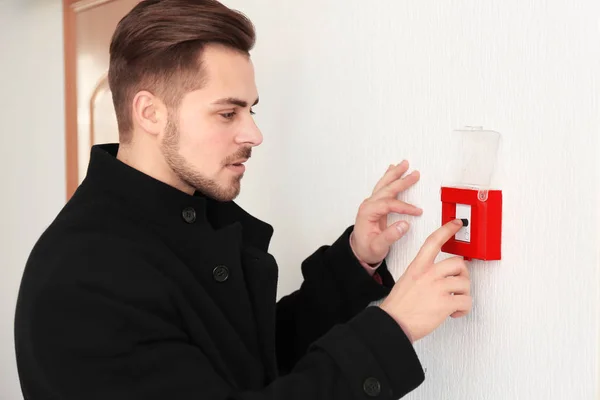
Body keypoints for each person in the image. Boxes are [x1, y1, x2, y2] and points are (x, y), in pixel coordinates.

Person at [14, 1, 471, 399]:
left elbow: (249, 358)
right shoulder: (84, 276)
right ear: (150, 113)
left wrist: (355, 261)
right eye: (227, 112)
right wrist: (394, 328)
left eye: (250, 110)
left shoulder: (185, 218)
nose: (253, 133)